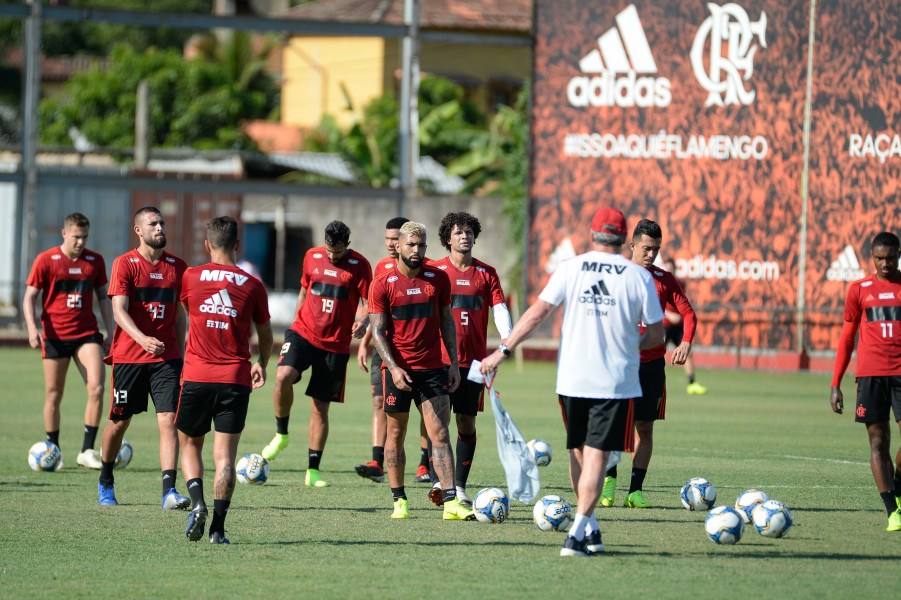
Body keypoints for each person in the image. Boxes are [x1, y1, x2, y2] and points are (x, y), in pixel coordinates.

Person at [480, 207, 664, 556]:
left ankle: (590, 529)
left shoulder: (571, 267)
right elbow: (656, 334)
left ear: (592, 235)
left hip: (571, 379)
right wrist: (630, 345)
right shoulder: (638, 276)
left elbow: (537, 313)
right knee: (597, 455)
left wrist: (501, 350)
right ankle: (577, 531)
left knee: (577, 450)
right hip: (614, 381)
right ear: (625, 239)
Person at [368, 221, 474, 520]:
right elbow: (377, 331)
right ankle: (399, 499)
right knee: (396, 433)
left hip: (432, 369)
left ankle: (451, 502)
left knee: (440, 433)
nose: (417, 250)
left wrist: (452, 363)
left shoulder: (438, 279)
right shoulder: (382, 283)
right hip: (398, 371)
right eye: (411, 244)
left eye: (422, 245)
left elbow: (446, 323)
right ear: (398, 246)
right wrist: (394, 368)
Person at [177, 216, 273, 544]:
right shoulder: (253, 284)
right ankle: (218, 529)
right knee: (226, 457)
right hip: (235, 379)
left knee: (189, 444)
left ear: (207, 245)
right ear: (238, 245)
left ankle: (198, 503)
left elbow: (189, 312)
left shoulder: (190, 277)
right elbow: (265, 334)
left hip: (197, 376)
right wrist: (261, 362)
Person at [261, 221, 372, 488]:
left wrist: (364, 322)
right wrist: (296, 324)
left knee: (320, 408)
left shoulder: (360, 266)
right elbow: (303, 290)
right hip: (303, 334)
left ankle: (313, 470)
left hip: (335, 345)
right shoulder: (311, 256)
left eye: (338, 251)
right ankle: (281, 433)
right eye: (329, 250)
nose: (333, 256)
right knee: (283, 375)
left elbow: (369, 304)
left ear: (347, 244)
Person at [601, 219, 698, 509]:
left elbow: (688, 313)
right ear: (632, 245)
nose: (651, 254)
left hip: (652, 367)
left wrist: (686, 342)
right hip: (618, 366)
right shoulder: (615, 273)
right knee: (612, 427)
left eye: (655, 249)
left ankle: (635, 491)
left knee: (645, 429)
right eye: (646, 248)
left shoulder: (665, 279)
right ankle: (608, 485)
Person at [97, 206, 190, 509]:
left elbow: (179, 314)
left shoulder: (178, 267)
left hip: (167, 359)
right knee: (119, 422)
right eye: (153, 224)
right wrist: (142, 339)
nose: (160, 228)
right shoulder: (124, 264)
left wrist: (184, 352)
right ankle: (106, 479)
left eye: (162, 223)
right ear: (138, 230)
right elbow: (118, 310)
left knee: (168, 421)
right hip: (129, 358)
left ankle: (168, 492)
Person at [426, 212, 512, 506]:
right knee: (437, 422)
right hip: (437, 360)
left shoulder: (487, 273)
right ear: (447, 239)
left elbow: (500, 309)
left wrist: (506, 342)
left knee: (466, 424)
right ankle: (441, 482)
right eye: (458, 232)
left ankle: (459, 486)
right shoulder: (434, 272)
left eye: (469, 232)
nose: (465, 236)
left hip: (474, 363)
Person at [23, 213, 115, 470]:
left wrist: (111, 331)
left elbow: (104, 299)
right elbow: (29, 296)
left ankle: (87, 450)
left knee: (97, 388)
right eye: (76, 236)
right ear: (64, 234)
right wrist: (32, 329)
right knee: (54, 393)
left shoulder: (95, 261)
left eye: (85, 237)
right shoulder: (46, 260)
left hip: (86, 334)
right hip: (55, 336)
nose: (80, 242)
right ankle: (53, 449)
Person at [831, 231, 901, 531]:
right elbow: (847, 338)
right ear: (872, 257)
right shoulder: (859, 289)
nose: (885, 264)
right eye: (879, 258)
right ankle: (892, 510)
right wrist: (836, 383)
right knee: (878, 441)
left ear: (898, 255)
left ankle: (896, 485)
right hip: (870, 375)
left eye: (891, 257)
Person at [355, 217, 433, 484]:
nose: (390, 243)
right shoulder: (381, 269)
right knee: (379, 402)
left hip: (420, 354)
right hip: (385, 349)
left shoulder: (425, 270)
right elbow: (378, 316)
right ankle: (377, 460)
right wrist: (365, 343)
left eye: (394, 239)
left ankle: (425, 462)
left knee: (426, 410)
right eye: (387, 239)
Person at [662, 258, 707, 395]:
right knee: (656, 354)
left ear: (675, 269)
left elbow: (682, 302)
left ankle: (692, 383)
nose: (669, 270)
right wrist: (668, 315)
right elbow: (657, 303)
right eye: (667, 268)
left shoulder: (680, 283)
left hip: (678, 326)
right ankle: (653, 381)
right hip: (665, 325)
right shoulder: (660, 283)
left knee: (687, 353)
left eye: (671, 268)